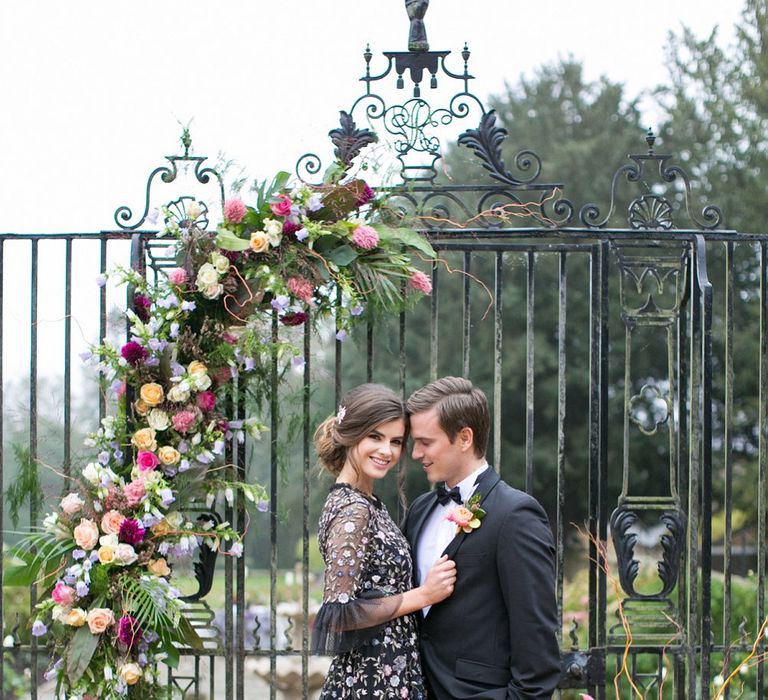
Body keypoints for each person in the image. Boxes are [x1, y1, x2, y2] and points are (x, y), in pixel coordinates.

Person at [403, 376, 561, 699]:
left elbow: (538, 655)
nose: (415, 453)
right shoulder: (419, 511)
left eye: (426, 442)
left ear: (464, 438)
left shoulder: (516, 516)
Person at [311, 383, 457, 699]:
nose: (386, 451)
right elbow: (341, 613)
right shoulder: (353, 509)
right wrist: (424, 595)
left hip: (390, 670)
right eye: (374, 437)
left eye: (395, 441)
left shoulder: (366, 501)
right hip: (373, 679)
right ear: (351, 434)